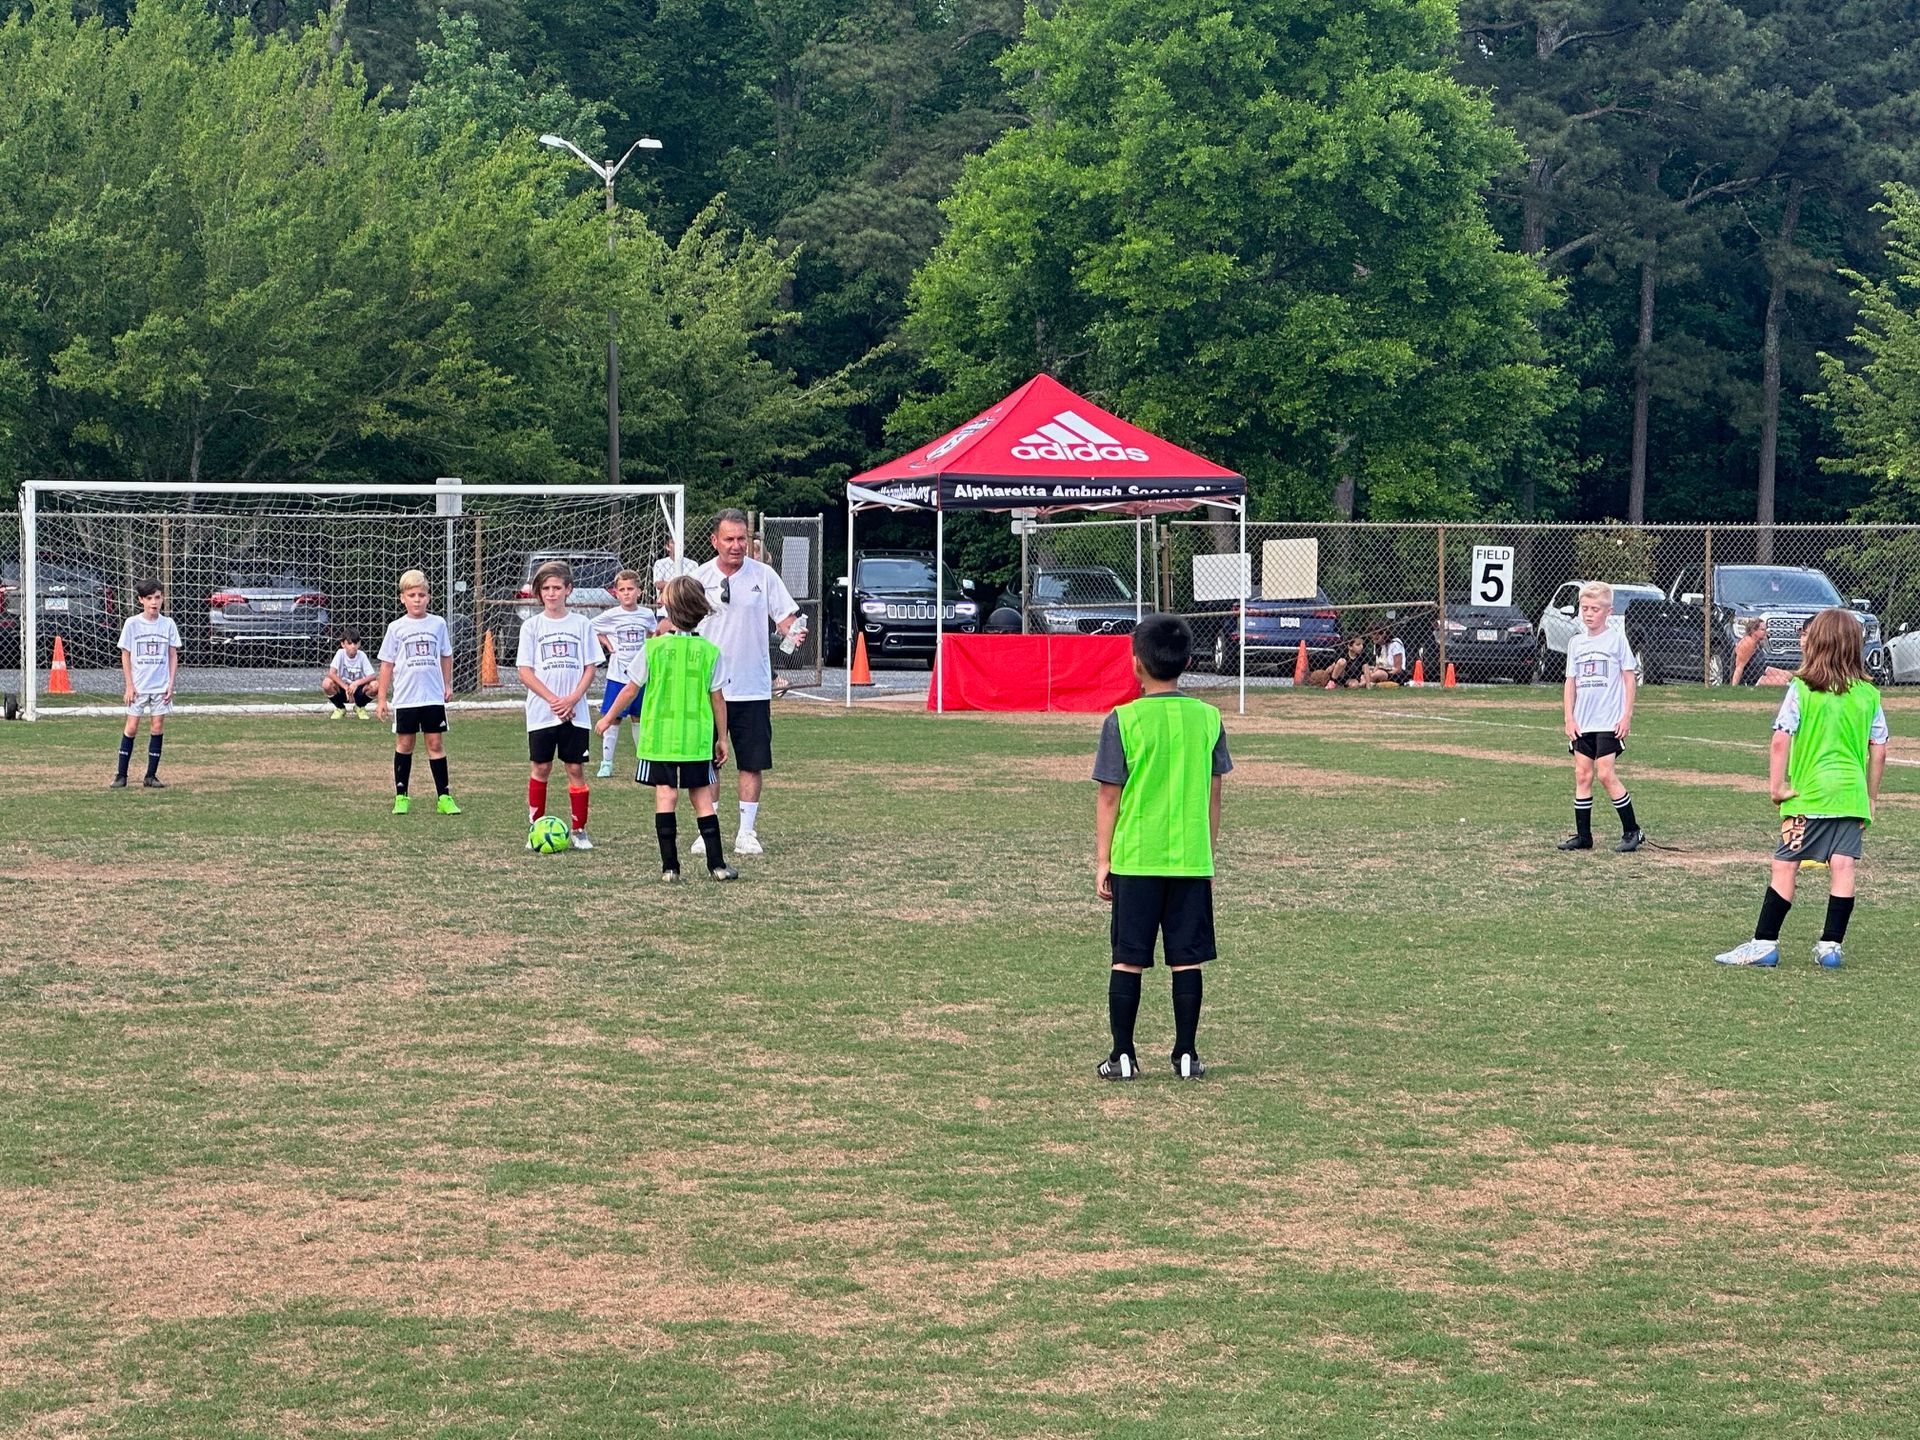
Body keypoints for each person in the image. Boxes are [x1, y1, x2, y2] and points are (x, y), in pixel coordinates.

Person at [1092, 613, 1233, 1081]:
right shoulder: (1208, 718)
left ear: (1136, 664)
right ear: (1189, 661)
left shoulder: (1124, 719)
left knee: (1128, 957)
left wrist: (1103, 859)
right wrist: (1206, 852)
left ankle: (1123, 1056)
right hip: (1190, 857)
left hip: (1136, 856)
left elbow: (1109, 794)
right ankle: (1186, 1054)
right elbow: (1214, 792)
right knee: (1185, 958)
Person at [1716, 607, 1889, 969]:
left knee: (1785, 864)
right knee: (1843, 867)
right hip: (1851, 796)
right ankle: (1830, 946)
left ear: (1817, 643)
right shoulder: (1869, 694)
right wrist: (1870, 797)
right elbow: (1880, 748)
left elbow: (1781, 740)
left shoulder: (1802, 688)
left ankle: (1764, 943)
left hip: (1808, 796)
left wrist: (1777, 786)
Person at [599, 575, 736, 882]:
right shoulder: (710, 652)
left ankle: (670, 868)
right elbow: (718, 699)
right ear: (700, 610)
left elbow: (630, 690)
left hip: (659, 739)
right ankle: (717, 865)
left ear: (669, 611)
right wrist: (722, 738)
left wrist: (608, 718)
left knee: (666, 796)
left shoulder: (653, 649)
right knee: (701, 798)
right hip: (696, 739)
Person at [695, 508, 805, 855]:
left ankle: (746, 831)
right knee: (706, 762)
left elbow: (787, 616)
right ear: (714, 541)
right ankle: (706, 829)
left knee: (751, 761)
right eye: (729, 539)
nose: (737, 545)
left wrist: (792, 631)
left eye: (742, 538)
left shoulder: (765, 575)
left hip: (752, 686)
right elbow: (678, 622)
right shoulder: (699, 578)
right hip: (708, 689)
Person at [517, 559, 599, 851]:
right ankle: (535, 828)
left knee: (575, 768)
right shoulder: (531, 626)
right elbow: (525, 671)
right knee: (541, 766)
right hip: (542, 712)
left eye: (557, 588)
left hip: (574, 713)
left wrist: (572, 698)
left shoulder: (582, 624)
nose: (551, 594)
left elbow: (590, 667)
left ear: (569, 590)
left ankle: (579, 830)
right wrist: (553, 699)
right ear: (539, 593)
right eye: (546, 589)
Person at [1559, 581, 1643, 852]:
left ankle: (1632, 831)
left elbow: (1629, 679)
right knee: (1582, 774)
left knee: (1605, 773)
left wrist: (1626, 715)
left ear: (1608, 611)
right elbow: (1570, 682)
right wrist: (1569, 718)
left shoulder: (1616, 640)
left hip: (1609, 720)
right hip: (1583, 722)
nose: (1589, 613)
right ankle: (1584, 837)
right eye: (1585, 608)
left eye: (1595, 609)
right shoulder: (1576, 643)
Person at [375, 569, 460, 816]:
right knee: (405, 743)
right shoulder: (396, 627)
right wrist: (382, 699)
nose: (417, 599)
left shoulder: (438, 624)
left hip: (432, 696)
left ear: (429, 597)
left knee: (435, 743)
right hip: (406, 698)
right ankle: (401, 796)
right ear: (403, 598)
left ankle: (444, 797)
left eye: (421, 595)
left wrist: (447, 684)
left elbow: (446, 655)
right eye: (412, 595)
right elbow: (387, 664)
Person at [110, 578, 181, 789]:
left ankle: (150, 776)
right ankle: (121, 775)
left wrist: (170, 683)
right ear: (141, 600)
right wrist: (129, 685)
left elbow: (172, 654)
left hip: (160, 687)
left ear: (162, 599)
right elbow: (125, 654)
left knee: (157, 726)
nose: (154, 602)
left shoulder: (168, 624)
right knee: (131, 728)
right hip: (139, 688)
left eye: (157, 598)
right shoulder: (132, 624)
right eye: (149, 598)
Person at [591, 569, 656, 778]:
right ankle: (607, 763)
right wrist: (609, 645)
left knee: (639, 717)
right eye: (622, 590)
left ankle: (642, 762)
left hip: (641, 675)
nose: (626, 593)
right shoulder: (611, 615)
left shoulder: (646, 614)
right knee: (614, 717)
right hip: (618, 675)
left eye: (630, 589)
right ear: (616, 593)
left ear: (639, 591)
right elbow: (591, 628)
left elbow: (654, 633)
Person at [323, 629, 378, 720]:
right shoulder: (340, 654)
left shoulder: (362, 655)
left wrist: (356, 683)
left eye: (355, 643)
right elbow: (331, 673)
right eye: (349, 643)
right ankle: (340, 708)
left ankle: (360, 707)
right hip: (343, 690)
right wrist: (345, 687)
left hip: (357, 691)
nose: (353, 646)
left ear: (359, 644)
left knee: (375, 685)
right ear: (343, 644)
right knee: (326, 683)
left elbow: (372, 676)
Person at [1733, 617, 1768, 686]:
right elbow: (1739, 667)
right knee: (1783, 680)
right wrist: (1734, 687)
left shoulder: (1757, 642)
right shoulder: (1748, 643)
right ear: (1753, 631)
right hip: (1750, 679)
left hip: (1761, 673)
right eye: (1762, 630)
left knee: (1787, 675)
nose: (1766, 632)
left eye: (1765, 629)